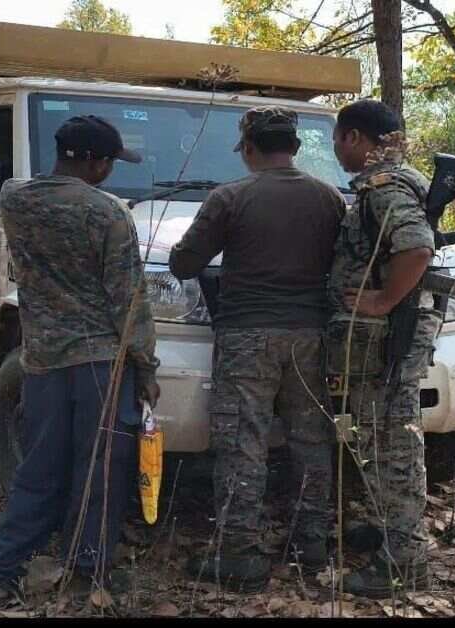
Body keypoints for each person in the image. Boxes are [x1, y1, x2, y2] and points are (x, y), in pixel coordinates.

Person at [0, 115, 161, 605]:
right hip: (100, 361)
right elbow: (129, 299)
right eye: (109, 163)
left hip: (41, 357)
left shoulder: (16, 198)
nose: (109, 172)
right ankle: (87, 566)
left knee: (39, 464)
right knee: (98, 467)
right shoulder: (107, 213)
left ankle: (3, 568)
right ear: (95, 162)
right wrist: (145, 365)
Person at [168, 106, 346, 592]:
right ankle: (312, 543)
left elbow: (185, 264)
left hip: (247, 335)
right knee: (312, 439)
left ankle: (240, 553)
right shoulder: (329, 198)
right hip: (310, 335)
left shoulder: (230, 196)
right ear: (294, 147)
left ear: (248, 148)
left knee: (242, 441)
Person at [326, 99, 436, 598]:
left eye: (337, 140)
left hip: (389, 334)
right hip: (389, 333)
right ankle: (389, 531)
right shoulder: (399, 179)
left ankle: (405, 561)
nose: (336, 151)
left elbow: (416, 246)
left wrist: (383, 300)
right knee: (378, 436)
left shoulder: (384, 186)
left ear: (355, 138)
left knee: (393, 442)